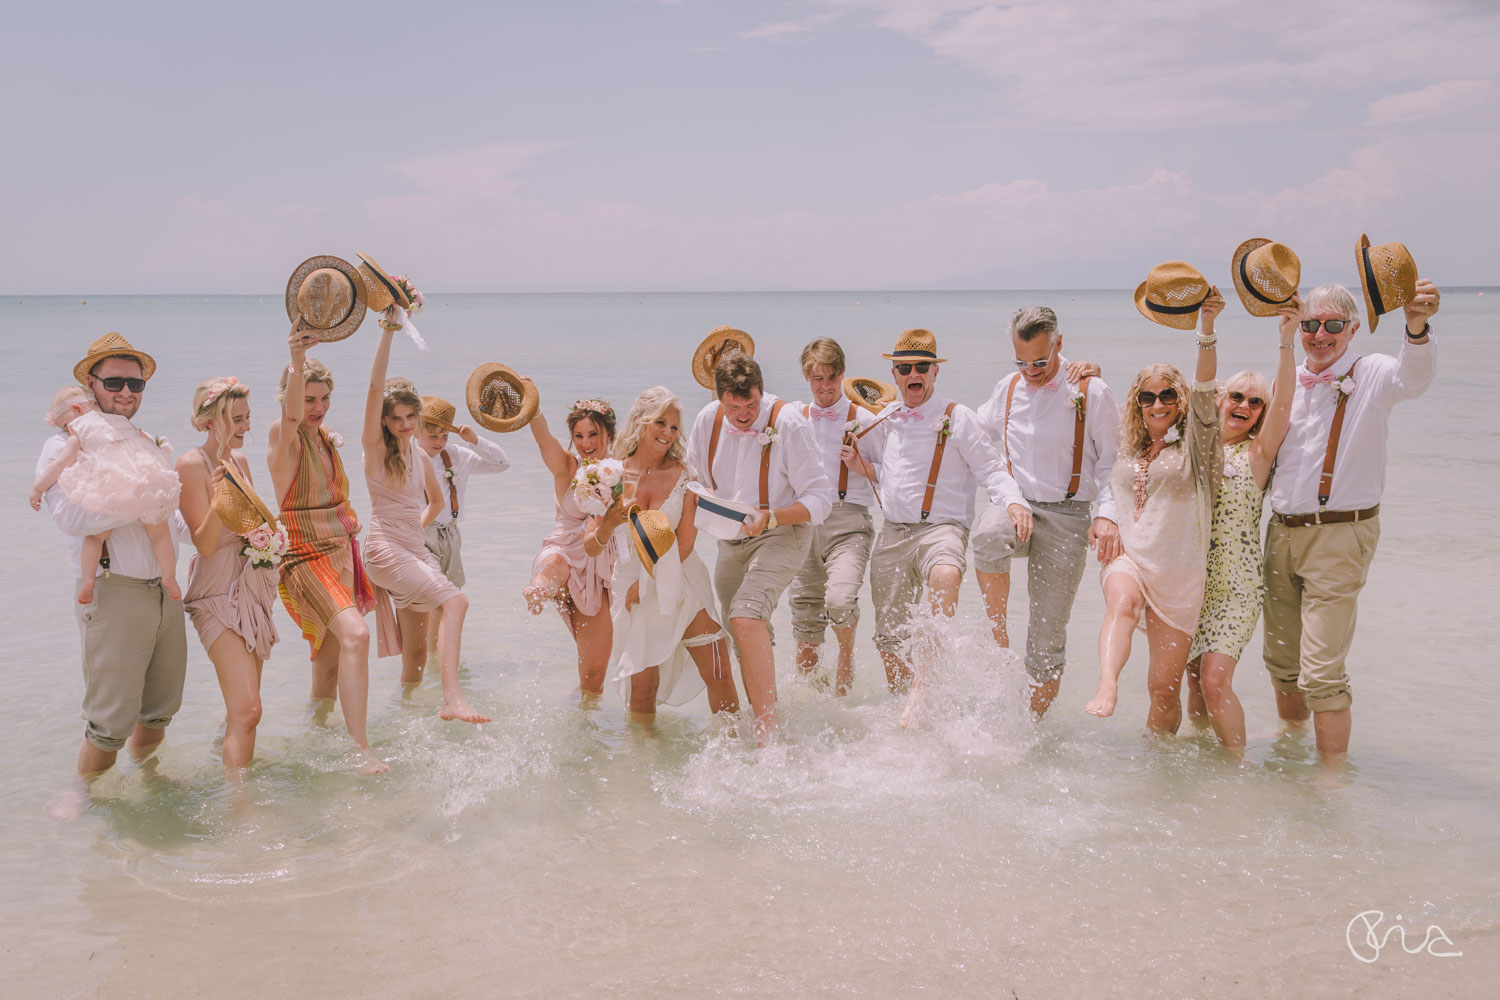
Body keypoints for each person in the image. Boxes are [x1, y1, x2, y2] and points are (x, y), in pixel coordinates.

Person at [1261, 276, 1439, 764]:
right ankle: (1291, 746)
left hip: (1341, 534)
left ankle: (1332, 782)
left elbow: (1415, 378)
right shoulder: (1286, 378)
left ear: (1353, 328)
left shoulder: (1375, 371)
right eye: (1310, 325)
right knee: (1281, 660)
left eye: (1332, 325)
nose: (1320, 335)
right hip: (1280, 534)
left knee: (1321, 670)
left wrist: (1417, 329)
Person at [848, 329, 1030, 727]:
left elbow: (991, 469)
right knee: (889, 635)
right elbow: (888, 474)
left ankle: (925, 686)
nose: (914, 373)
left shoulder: (957, 417)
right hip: (893, 532)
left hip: (942, 528)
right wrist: (859, 467)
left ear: (934, 372)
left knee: (946, 574)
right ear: (895, 375)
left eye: (922, 367)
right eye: (905, 368)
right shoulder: (885, 419)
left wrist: (1014, 502)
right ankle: (905, 705)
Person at [36, 333, 187, 779]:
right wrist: (131, 500)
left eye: (135, 385)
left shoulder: (145, 441)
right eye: (115, 382)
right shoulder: (66, 443)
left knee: (159, 709)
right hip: (113, 590)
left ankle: (150, 782)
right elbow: (70, 517)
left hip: (165, 591)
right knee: (109, 720)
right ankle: (87, 803)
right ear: (91, 382)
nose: (125, 393)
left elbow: (170, 520)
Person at [1085, 289, 1223, 731]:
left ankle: (1158, 760)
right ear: (1137, 402)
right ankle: (1107, 686)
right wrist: (1103, 516)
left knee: (1164, 691)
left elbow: (1206, 392)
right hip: (1128, 557)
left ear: (1179, 401)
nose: (1157, 404)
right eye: (1148, 397)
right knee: (1121, 604)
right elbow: (1103, 478)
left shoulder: (1197, 450)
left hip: (1179, 576)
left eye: (1166, 396)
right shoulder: (1128, 447)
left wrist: (1206, 328)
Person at [972, 307, 1120, 717]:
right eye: (1021, 361)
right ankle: (996, 640)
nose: (1030, 371)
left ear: (1059, 344)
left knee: (1046, 639)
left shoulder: (1092, 391)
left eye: (1039, 361)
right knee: (986, 536)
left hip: (1069, 516)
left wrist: (1107, 513)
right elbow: (972, 435)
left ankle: (1030, 733)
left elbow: (1112, 462)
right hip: (1016, 505)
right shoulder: (1006, 387)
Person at [685, 352, 833, 742]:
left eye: (751, 404)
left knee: (746, 615)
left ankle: (768, 738)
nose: (744, 414)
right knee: (740, 632)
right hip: (730, 538)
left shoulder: (789, 422)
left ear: (761, 393)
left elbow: (821, 499)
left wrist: (771, 518)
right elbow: (692, 476)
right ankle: (764, 714)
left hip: (784, 530)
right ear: (719, 398)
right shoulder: (707, 420)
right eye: (734, 407)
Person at [267, 317, 386, 773]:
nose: (317, 408)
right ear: (290, 399)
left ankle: (314, 742)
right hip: (305, 556)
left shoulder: (326, 439)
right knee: (357, 636)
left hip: (342, 554)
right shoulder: (286, 437)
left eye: (324, 399)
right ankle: (361, 751)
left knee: (330, 661)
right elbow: (293, 415)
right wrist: (296, 358)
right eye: (309, 399)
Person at [1178, 309, 1297, 753]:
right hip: (1191, 583)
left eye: (1254, 402)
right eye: (1237, 397)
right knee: (1192, 680)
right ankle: (1202, 753)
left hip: (1236, 589)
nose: (1244, 406)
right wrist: (1206, 329)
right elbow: (1200, 386)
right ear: (1221, 401)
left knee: (1214, 680)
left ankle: (1234, 770)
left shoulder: (1258, 454)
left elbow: (1285, 401)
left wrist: (1286, 342)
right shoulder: (1196, 446)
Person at [585, 387, 742, 716]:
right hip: (628, 580)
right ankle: (643, 759)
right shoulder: (611, 474)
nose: (668, 434)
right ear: (641, 423)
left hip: (679, 577)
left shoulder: (685, 475)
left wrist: (643, 585)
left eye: (674, 427)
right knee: (643, 690)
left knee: (718, 671)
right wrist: (607, 525)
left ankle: (735, 748)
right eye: (660, 423)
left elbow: (684, 544)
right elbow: (590, 544)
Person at [360, 325, 488, 724]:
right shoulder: (376, 450)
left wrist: (413, 524)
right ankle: (453, 699)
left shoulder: (418, 455)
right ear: (384, 420)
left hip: (410, 547)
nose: (404, 423)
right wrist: (389, 333)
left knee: (415, 659)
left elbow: (436, 500)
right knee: (456, 600)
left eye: (410, 416)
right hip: (383, 548)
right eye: (395, 418)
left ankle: (405, 720)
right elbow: (373, 385)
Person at [177, 377, 281, 770]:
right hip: (214, 595)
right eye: (236, 419)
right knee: (248, 709)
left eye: (248, 418)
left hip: (249, 591)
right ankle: (239, 807)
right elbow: (203, 545)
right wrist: (221, 498)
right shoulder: (190, 465)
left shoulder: (241, 462)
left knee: (247, 709)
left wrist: (274, 546)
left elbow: (252, 526)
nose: (246, 427)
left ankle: (234, 771)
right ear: (210, 421)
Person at [32, 386, 181, 606]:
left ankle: (88, 580)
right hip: (145, 479)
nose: (67, 430)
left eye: (66, 425)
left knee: (95, 537)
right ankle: (170, 576)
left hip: (113, 485)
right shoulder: (121, 421)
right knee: (160, 533)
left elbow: (62, 464)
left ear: (76, 409)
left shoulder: (79, 431)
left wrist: (37, 488)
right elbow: (146, 445)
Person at [788, 338, 878, 696]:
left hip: (849, 520)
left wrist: (860, 465)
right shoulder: (795, 419)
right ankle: (813, 700)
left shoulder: (866, 420)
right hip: (804, 522)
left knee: (840, 600)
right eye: (817, 378)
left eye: (831, 377)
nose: (824, 386)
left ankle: (845, 661)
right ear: (807, 378)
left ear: (842, 374)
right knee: (805, 611)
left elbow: (894, 475)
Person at [523, 395, 619, 696]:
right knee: (554, 563)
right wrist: (532, 406)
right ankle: (538, 589)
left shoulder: (621, 471)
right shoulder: (567, 466)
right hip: (564, 551)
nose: (585, 442)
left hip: (599, 567)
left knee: (593, 674)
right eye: (578, 436)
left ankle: (585, 724)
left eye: (593, 434)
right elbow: (542, 440)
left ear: (609, 435)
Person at [414, 395, 511, 665]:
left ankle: (433, 658)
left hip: (451, 536)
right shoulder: (407, 456)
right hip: (421, 534)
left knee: (444, 601)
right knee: (440, 596)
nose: (439, 441)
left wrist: (475, 440)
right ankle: (430, 657)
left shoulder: (456, 455)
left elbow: (502, 464)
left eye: (444, 435)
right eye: (432, 434)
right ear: (416, 430)